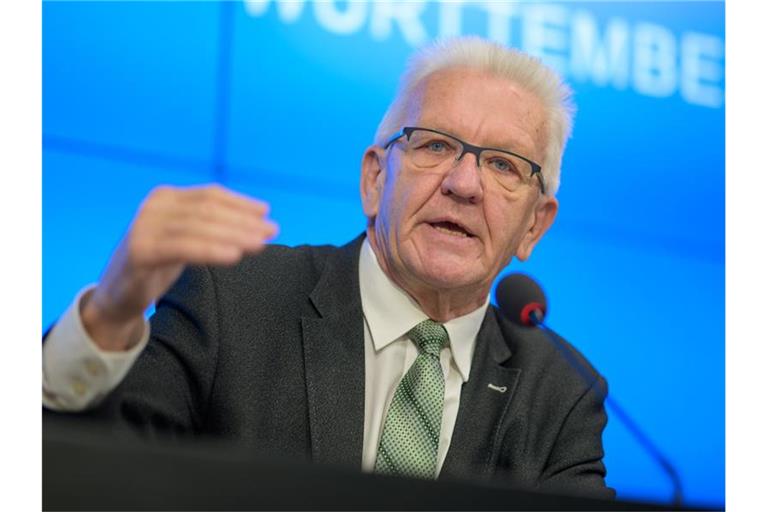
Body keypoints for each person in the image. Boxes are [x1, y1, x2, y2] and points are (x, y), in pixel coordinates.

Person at [43, 36, 613, 499]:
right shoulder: (232, 302)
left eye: (504, 165)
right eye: (435, 146)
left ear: (534, 226)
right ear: (374, 179)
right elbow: (76, 477)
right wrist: (111, 315)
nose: (463, 184)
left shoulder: (560, 394)